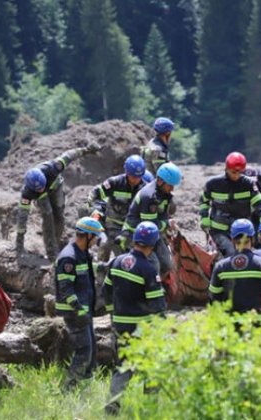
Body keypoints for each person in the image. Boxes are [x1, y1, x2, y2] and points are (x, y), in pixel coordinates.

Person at [103, 222, 167, 415]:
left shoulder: (117, 261)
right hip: (142, 328)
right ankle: (150, 408)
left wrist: (113, 314)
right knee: (151, 367)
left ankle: (112, 407)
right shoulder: (148, 270)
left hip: (120, 324)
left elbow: (106, 291)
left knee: (123, 366)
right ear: (153, 245)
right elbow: (157, 305)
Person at [16, 143, 101, 259]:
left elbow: (70, 155)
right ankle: (51, 253)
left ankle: (57, 240)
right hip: (42, 198)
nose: (41, 188)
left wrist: (87, 150)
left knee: (59, 216)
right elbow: (22, 217)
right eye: (38, 189)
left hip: (56, 187)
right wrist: (19, 243)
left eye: (42, 186)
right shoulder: (27, 193)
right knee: (48, 217)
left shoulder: (53, 167)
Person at [53, 216, 105, 389]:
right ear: (88, 236)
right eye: (96, 236)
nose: (97, 240)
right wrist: (78, 310)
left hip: (84, 309)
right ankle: (69, 388)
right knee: (84, 351)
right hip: (74, 311)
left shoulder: (83, 253)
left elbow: (89, 271)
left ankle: (85, 387)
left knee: (91, 350)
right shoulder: (68, 258)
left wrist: (106, 266)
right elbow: (66, 288)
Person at [119, 162, 182, 279]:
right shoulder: (149, 196)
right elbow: (149, 226)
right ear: (159, 181)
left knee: (167, 264)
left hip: (152, 235)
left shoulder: (164, 194)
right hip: (135, 235)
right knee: (154, 265)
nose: (172, 189)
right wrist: (167, 224)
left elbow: (162, 216)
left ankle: (157, 286)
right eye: (170, 185)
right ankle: (149, 290)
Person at [199, 152, 261, 257]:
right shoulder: (213, 184)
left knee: (244, 255)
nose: (236, 175)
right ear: (226, 168)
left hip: (242, 230)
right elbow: (204, 200)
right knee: (230, 253)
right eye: (233, 172)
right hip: (219, 230)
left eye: (240, 172)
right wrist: (204, 217)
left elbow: (259, 203)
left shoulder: (248, 184)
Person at [209, 219, 261, 313]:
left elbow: (214, 297)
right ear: (252, 239)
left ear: (232, 240)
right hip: (258, 324)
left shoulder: (220, 267)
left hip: (230, 325)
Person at [87, 154, 148, 263]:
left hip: (129, 229)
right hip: (110, 226)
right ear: (127, 172)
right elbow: (94, 195)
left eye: (138, 177)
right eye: (133, 176)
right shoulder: (115, 183)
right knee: (104, 246)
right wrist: (97, 210)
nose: (135, 180)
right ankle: (101, 273)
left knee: (126, 257)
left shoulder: (145, 189)